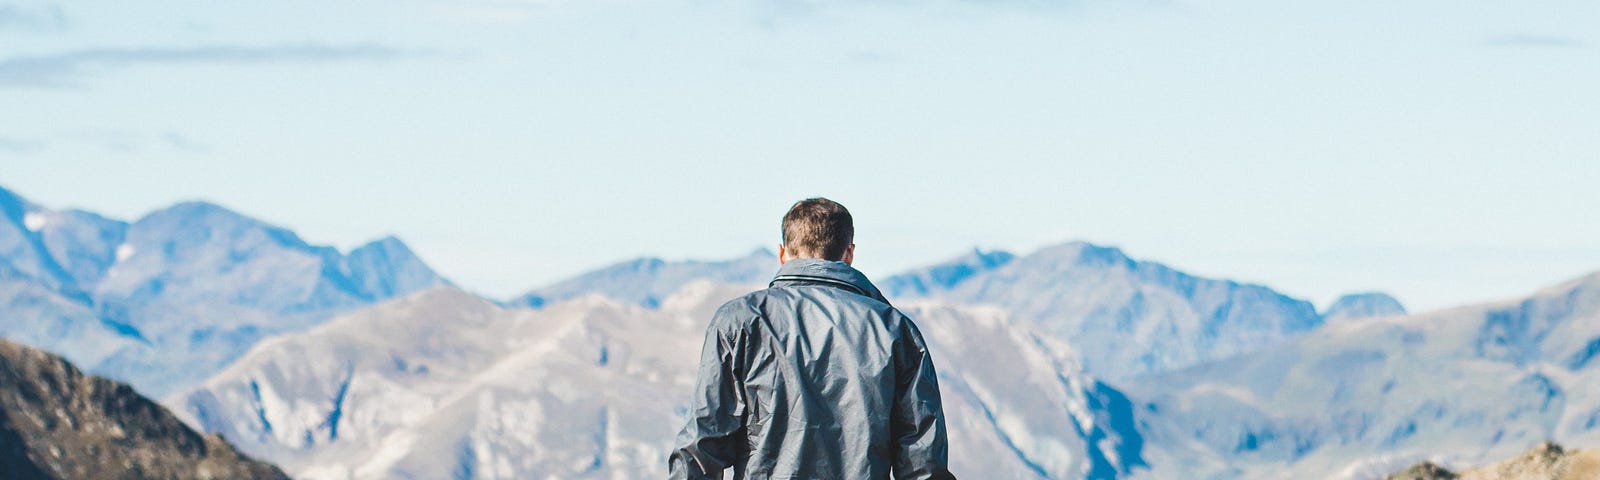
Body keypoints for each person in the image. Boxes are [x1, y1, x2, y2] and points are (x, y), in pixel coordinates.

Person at [669, 198, 955, 480]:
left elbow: (703, 445)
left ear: (782, 254)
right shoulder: (894, 329)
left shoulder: (740, 321)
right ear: (849, 253)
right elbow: (923, 462)